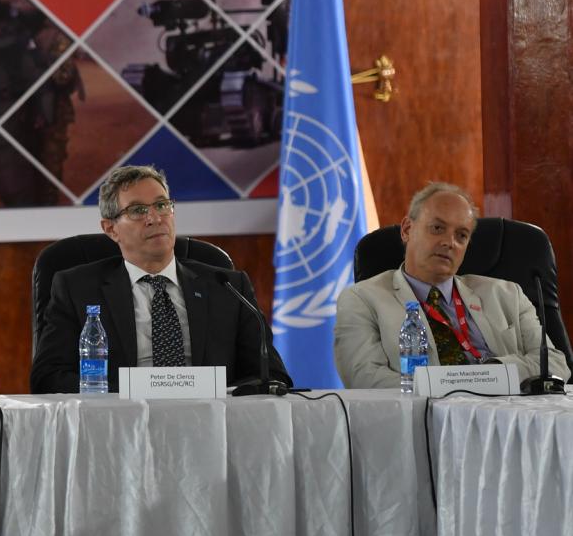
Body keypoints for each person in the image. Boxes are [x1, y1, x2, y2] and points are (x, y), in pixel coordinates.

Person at [31, 164, 289, 392]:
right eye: (138, 210)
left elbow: (271, 375)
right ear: (111, 229)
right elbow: (48, 377)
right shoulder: (78, 289)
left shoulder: (228, 287)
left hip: (211, 421)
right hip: (119, 422)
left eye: (162, 205)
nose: (154, 218)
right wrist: (128, 391)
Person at [334, 182, 570, 389]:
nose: (449, 242)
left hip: (509, 416)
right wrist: (451, 387)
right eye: (437, 228)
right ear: (407, 230)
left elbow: (556, 364)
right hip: (425, 421)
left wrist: (492, 373)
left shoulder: (508, 294)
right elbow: (365, 378)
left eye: (461, 235)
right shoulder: (362, 299)